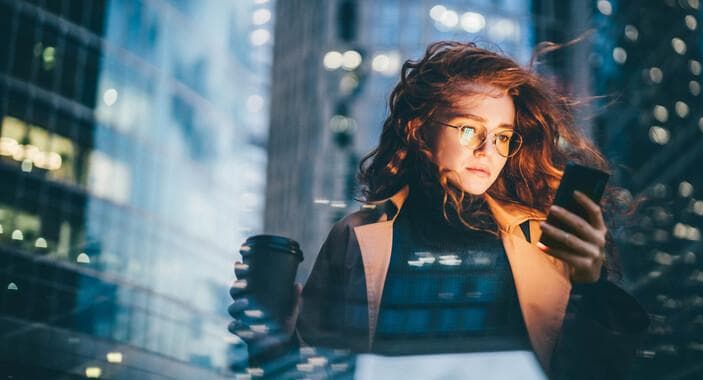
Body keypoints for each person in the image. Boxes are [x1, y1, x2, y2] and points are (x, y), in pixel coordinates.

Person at [230, 41, 649, 379]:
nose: (489, 151)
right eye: (469, 129)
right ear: (420, 130)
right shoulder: (356, 234)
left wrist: (591, 285)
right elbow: (307, 369)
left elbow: (597, 369)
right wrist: (274, 341)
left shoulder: (542, 238)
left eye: (503, 137)